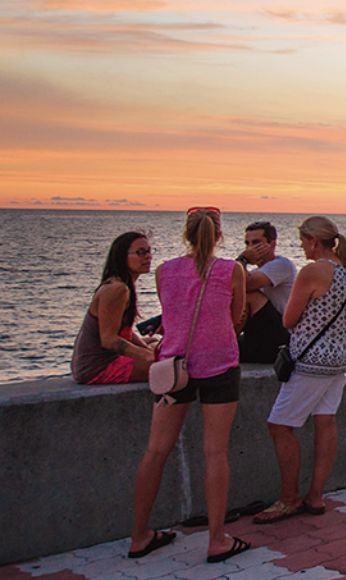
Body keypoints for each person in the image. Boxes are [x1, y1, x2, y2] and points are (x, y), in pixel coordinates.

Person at [131, 207, 249, 564]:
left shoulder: (165, 271)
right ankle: (217, 540)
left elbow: (170, 315)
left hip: (174, 367)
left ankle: (139, 536)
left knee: (156, 452)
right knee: (215, 453)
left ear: (186, 234)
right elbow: (236, 319)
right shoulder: (232, 270)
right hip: (219, 365)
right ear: (219, 235)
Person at [255, 216, 346, 525]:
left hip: (312, 362)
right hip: (339, 360)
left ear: (313, 241)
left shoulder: (313, 271)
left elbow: (289, 319)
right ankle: (315, 495)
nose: (301, 247)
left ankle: (288, 499)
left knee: (280, 425)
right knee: (325, 423)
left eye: (302, 241)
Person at [72, 232, 159, 384]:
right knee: (174, 367)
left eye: (149, 251)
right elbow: (109, 340)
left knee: (155, 343)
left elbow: (124, 331)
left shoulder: (124, 286)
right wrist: (147, 355)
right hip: (98, 367)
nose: (148, 257)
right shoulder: (116, 289)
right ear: (122, 257)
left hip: (97, 363)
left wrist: (145, 347)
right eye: (140, 252)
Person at [236, 221, 297, 363]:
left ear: (272, 244)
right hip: (259, 335)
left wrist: (243, 259)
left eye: (256, 242)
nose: (250, 248)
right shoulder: (256, 272)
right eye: (247, 243)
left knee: (250, 295)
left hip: (279, 339)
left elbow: (245, 284)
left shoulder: (282, 265)